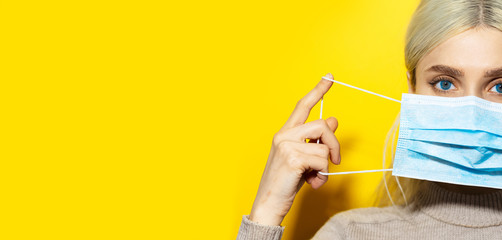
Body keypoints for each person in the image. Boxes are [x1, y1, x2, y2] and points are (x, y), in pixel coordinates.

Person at [237, 0, 502, 239]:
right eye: (444, 84)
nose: (471, 113)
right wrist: (266, 212)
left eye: (499, 87)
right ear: (412, 90)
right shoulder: (351, 234)